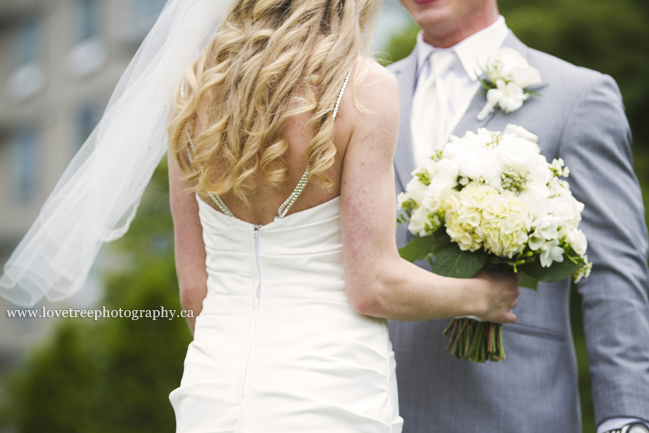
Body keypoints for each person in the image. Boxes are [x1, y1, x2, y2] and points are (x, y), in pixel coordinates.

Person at [164, 0, 520, 431]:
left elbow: (193, 291)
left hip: (212, 388)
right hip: (331, 386)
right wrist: (485, 297)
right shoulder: (361, 88)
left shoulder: (193, 92)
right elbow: (374, 286)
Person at [388, 0, 649, 432]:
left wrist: (625, 417)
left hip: (512, 405)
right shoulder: (361, 93)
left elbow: (614, 269)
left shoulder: (578, 93)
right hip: (375, 402)